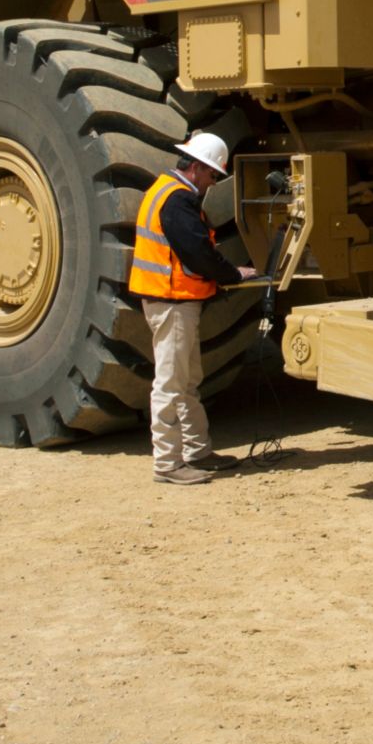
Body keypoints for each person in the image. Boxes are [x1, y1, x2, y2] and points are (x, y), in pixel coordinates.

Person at [130, 131, 259, 485]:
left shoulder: (166, 192)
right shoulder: (177, 200)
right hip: (171, 301)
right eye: (214, 175)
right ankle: (168, 464)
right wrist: (232, 273)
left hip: (173, 300)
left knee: (187, 381)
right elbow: (197, 252)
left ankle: (197, 452)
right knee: (171, 384)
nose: (212, 183)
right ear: (198, 168)